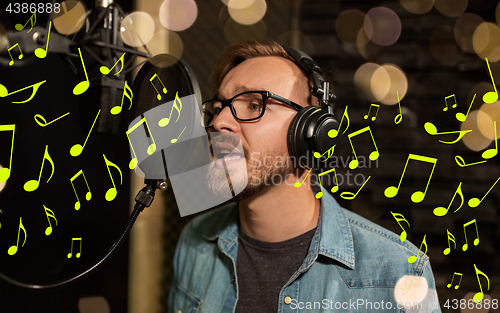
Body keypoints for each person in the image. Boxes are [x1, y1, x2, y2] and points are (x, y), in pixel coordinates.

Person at [168, 40, 441, 313]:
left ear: (310, 133)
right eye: (217, 109)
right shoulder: (195, 241)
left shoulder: (400, 272)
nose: (219, 123)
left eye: (253, 105)